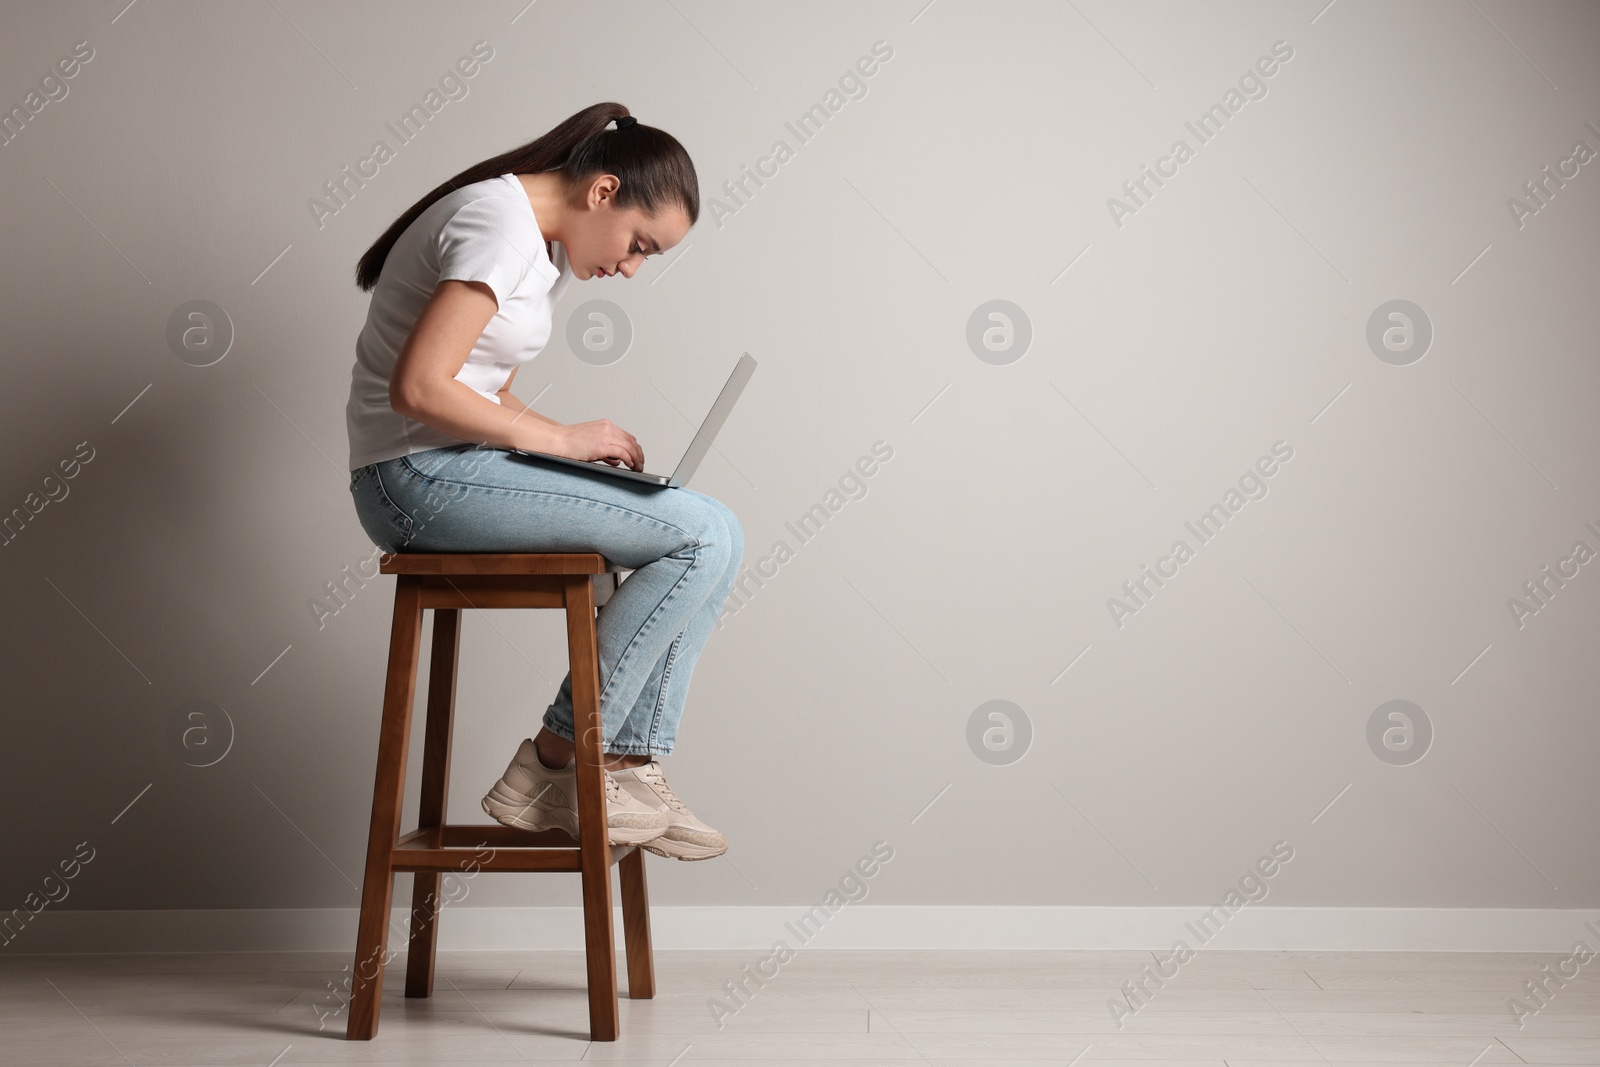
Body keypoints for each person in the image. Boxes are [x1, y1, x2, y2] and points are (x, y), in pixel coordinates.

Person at [344, 102, 742, 861]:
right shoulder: (498, 226)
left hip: (451, 466)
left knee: (718, 528)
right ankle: (559, 762)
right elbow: (420, 389)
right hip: (412, 478)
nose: (630, 269)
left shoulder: (538, 247)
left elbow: (482, 390)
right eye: (639, 246)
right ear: (602, 192)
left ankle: (620, 763)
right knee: (698, 536)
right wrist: (556, 438)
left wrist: (565, 456)